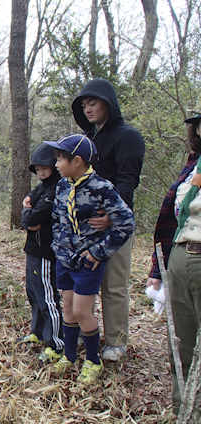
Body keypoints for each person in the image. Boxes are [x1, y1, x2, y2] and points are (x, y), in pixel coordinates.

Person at [47, 134, 135, 385]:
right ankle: (70, 356)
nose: (56, 165)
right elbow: (57, 218)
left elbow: (126, 224)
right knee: (68, 309)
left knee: (81, 311)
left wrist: (99, 252)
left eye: (60, 159)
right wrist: (59, 245)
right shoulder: (63, 186)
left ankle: (93, 360)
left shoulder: (101, 188)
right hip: (65, 258)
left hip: (88, 262)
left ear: (77, 161)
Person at [72, 79, 145, 361]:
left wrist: (112, 217)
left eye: (93, 103)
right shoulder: (86, 140)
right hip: (84, 225)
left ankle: (115, 341)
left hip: (115, 224)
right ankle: (84, 331)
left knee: (113, 285)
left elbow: (128, 180)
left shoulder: (129, 136)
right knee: (82, 278)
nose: (88, 110)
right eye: (84, 105)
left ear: (108, 103)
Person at [147, 93, 201, 415]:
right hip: (181, 257)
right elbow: (170, 219)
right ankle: (185, 419)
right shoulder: (191, 166)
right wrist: (159, 267)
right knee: (182, 345)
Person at [17, 143, 64, 365]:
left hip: (46, 251)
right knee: (33, 293)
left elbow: (33, 218)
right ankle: (38, 331)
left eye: (44, 168)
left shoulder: (57, 188)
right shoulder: (41, 187)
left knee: (47, 296)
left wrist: (28, 214)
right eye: (37, 168)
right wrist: (28, 212)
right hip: (33, 248)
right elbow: (27, 216)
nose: (41, 172)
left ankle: (56, 342)